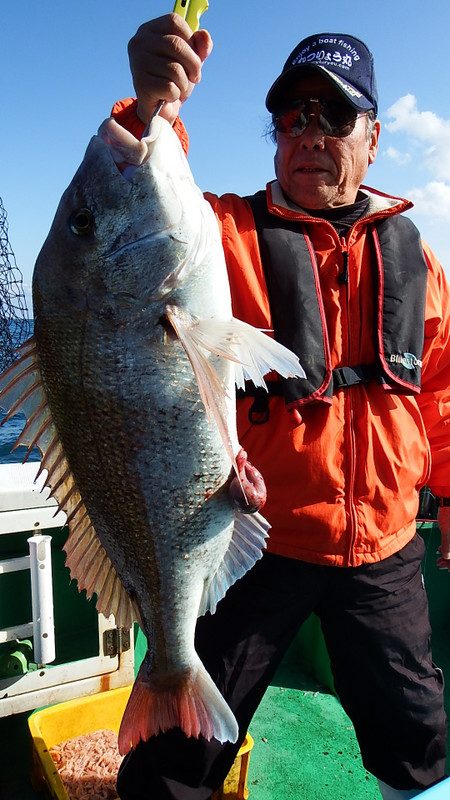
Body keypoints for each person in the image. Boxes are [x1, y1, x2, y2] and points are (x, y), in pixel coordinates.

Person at [111, 15, 450, 800]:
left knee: (420, 746)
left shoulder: (418, 260)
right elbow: (140, 207)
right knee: (173, 763)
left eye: (333, 116)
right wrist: (149, 104)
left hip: (386, 550)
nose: (308, 133)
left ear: (374, 136)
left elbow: (440, 392)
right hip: (255, 548)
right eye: (292, 116)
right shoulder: (224, 234)